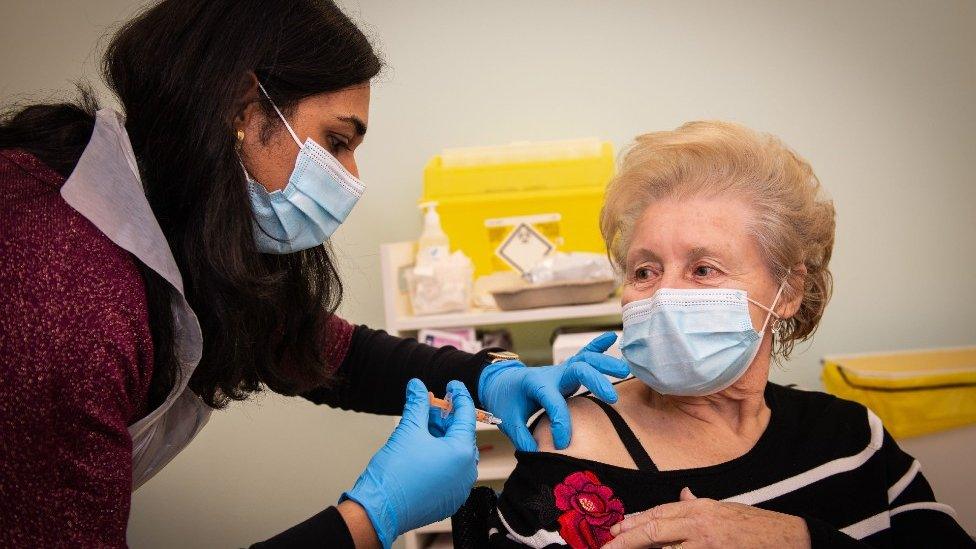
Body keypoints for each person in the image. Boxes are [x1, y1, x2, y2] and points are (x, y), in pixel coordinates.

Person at [0, 1, 629, 547]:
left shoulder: (164, 219)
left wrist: (488, 376)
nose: (352, 177)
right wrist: (370, 518)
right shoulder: (62, 291)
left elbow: (319, 349)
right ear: (243, 111)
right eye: (336, 141)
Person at [485, 121, 974, 548]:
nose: (663, 295)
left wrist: (800, 539)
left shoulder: (850, 437)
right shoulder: (570, 453)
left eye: (703, 269)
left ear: (788, 291)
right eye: (644, 271)